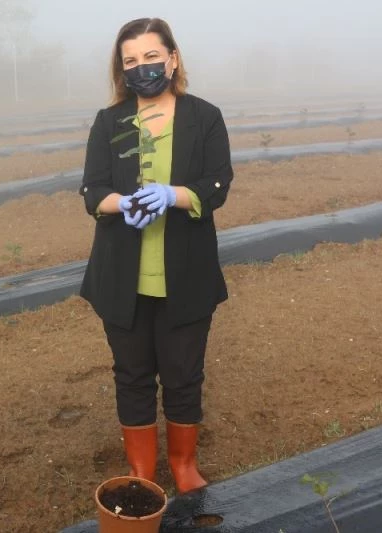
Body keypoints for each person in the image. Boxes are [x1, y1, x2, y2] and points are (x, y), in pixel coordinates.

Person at [78, 17, 233, 494]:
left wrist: (174, 195)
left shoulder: (203, 117)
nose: (141, 68)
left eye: (150, 57)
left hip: (185, 273)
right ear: (121, 70)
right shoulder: (112, 122)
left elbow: (218, 184)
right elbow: (92, 191)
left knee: (184, 375)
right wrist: (120, 204)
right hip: (122, 275)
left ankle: (184, 465)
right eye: (130, 61)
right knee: (133, 374)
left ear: (172, 58)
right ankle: (142, 469)